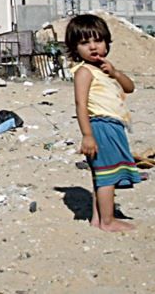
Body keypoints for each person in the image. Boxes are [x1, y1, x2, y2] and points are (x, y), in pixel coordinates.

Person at [68, 13, 141, 232]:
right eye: (84, 43)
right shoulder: (84, 71)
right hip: (100, 126)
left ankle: (98, 218)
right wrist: (87, 135)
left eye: (97, 41)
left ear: (106, 43)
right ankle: (108, 221)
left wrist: (116, 73)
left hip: (113, 126)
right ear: (75, 48)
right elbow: (80, 104)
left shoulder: (105, 70)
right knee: (107, 175)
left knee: (102, 175)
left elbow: (130, 87)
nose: (92, 47)